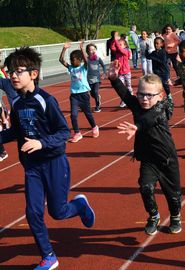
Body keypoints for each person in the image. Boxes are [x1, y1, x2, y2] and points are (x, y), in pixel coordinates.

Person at [0, 46, 96, 270]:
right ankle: (48, 256)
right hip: (31, 166)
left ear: (33, 74)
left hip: (54, 162)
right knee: (32, 212)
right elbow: (15, 131)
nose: (13, 75)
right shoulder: (16, 103)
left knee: (58, 212)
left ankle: (80, 205)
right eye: (10, 71)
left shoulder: (46, 101)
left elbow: (64, 132)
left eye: (18, 71)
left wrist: (41, 142)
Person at [108, 61, 182, 236]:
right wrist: (114, 79)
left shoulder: (162, 108)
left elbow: (151, 119)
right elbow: (126, 95)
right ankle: (154, 215)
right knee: (145, 187)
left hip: (167, 158)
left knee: (172, 194)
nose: (145, 99)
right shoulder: (137, 105)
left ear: (160, 96)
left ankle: (175, 215)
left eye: (149, 95)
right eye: (141, 94)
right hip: (148, 159)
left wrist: (137, 127)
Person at [59, 42, 99, 142]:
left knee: (88, 113)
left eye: (74, 60)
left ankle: (94, 127)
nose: (72, 61)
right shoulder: (71, 68)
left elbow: (86, 61)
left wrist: (81, 49)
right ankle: (77, 133)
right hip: (74, 96)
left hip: (84, 94)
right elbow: (61, 60)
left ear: (80, 60)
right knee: (73, 115)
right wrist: (64, 49)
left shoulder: (83, 68)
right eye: (71, 60)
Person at [110, 32, 133, 108]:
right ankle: (124, 100)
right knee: (122, 87)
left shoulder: (126, 51)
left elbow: (119, 48)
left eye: (120, 44)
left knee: (128, 86)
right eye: (118, 44)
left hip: (127, 72)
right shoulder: (117, 52)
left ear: (125, 45)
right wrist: (114, 40)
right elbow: (112, 47)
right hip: (120, 72)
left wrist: (116, 40)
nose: (118, 46)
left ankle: (131, 96)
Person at [83, 43, 106, 112]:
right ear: (87, 51)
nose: (92, 51)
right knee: (92, 93)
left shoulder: (98, 58)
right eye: (90, 50)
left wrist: (104, 73)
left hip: (97, 79)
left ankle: (97, 106)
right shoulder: (87, 60)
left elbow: (103, 66)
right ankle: (97, 97)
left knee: (95, 92)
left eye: (94, 49)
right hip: (89, 80)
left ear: (95, 50)